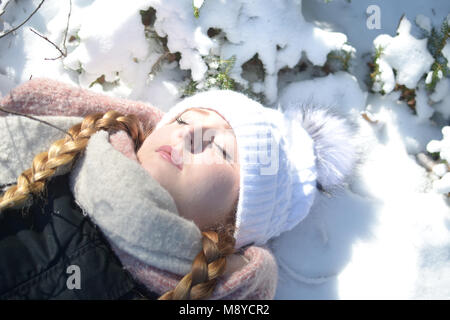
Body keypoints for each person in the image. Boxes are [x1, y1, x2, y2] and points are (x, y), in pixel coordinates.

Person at [0, 78, 359, 299]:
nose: (190, 133)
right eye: (186, 119)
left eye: (221, 149)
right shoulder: (50, 154)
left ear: (232, 224)